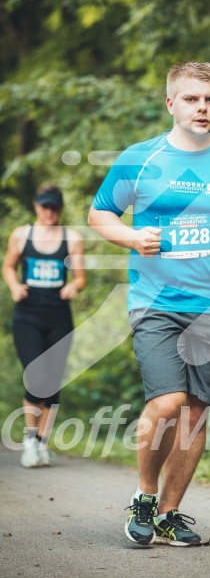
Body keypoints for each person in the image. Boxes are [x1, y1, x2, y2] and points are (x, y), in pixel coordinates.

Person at [88, 61, 210, 547]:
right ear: (170, 102)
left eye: (209, 99)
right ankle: (145, 497)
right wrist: (129, 237)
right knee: (167, 401)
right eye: (191, 98)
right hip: (155, 302)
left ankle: (169, 515)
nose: (202, 107)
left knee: (195, 412)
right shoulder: (141, 159)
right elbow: (99, 212)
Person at [2, 184, 86, 468]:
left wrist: (74, 285)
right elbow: (8, 266)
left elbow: (80, 277)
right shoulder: (21, 236)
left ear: (59, 208)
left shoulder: (71, 239)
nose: (49, 212)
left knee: (52, 381)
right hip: (28, 316)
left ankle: (41, 442)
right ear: (36, 206)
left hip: (58, 318)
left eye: (53, 207)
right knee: (35, 376)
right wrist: (14, 286)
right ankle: (29, 440)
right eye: (44, 206)